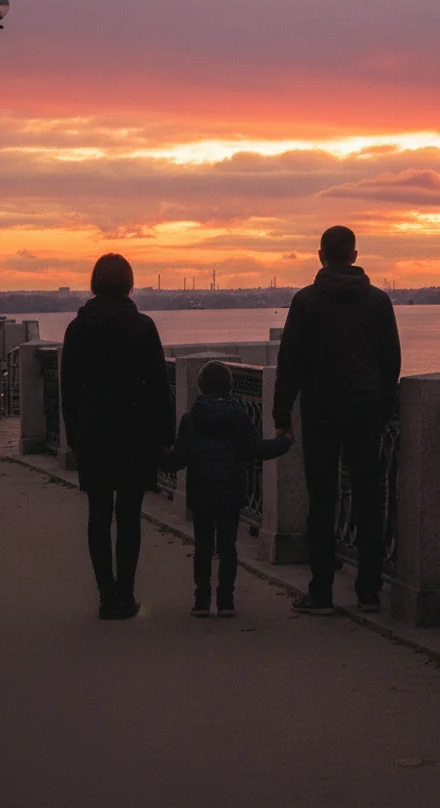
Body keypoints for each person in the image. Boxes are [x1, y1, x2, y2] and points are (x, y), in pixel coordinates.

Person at [272, 225, 401, 615]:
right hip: (365, 410)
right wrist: (382, 405)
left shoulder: (306, 302)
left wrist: (282, 416)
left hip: (320, 411)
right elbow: (390, 362)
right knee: (368, 498)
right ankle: (369, 590)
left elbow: (289, 364)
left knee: (322, 499)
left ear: (320, 256)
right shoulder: (379, 302)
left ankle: (322, 591)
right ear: (355, 256)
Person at [61, 253, 174, 620]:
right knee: (129, 515)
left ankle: (105, 595)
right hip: (134, 434)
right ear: (129, 283)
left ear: (95, 284)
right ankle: (125, 595)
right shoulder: (142, 327)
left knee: (98, 513)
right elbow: (159, 387)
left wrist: (74, 436)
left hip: (93, 431)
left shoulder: (78, 329)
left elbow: (69, 389)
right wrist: (164, 437)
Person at [163, 360, 291, 617]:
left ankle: (201, 600)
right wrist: (284, 443)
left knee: (203, 546)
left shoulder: (191, 418)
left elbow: (177, 460)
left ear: (200, 387)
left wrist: (152, 452)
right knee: (227, 546)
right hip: (230, 490)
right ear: (229, 386)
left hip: (201, 491)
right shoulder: (238, 415)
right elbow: (256, 450)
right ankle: (226, 600)